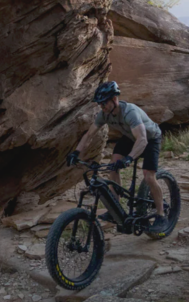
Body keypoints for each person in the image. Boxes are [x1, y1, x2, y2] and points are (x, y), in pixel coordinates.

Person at [66, 81, 168, 233]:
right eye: (100, 104)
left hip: (150, 138)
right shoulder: (104, 114)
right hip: (130, 137)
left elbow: (142, 140)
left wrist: (129, 158)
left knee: (148, 176)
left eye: (104, 103)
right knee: (113, 166)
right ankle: (116, 209)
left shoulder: (129, 112)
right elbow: (89, 135)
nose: (102, 107)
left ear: (114, 99)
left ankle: (161, 215)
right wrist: (76, 152)